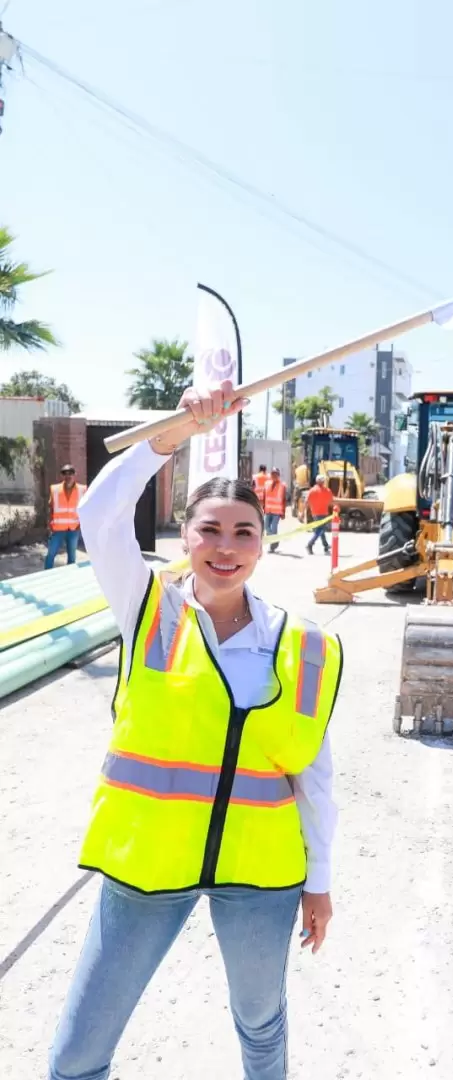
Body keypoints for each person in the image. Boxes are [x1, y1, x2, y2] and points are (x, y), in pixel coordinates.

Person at [47, 381, 342, 1080]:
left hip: (260, 875)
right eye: (210, 528)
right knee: (79, 1056)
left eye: (244, 531)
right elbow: (99, 511)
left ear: (263, 544)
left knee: (261, 1025)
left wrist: (320, 880)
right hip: (147, 866)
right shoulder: (147, 608)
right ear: (185, 536)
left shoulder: (302, 645)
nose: (226, 546)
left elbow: (316, 774)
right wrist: (173, 433)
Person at [45, 464, 87, 570]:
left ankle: (70, 576)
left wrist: (82, 524)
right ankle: (46, 575)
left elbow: (85, 509)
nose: (68, 476)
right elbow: (51, 508)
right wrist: (49, 524)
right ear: (62, 476)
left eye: (70, 473)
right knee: (50, 555)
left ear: (75, 475)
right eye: (65, 473)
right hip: (58, 529)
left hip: (74, 529)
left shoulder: (82, 489)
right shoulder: (54, 489)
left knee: (72, 557)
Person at [305, 473, 333, 555]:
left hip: (315, 513)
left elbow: (306, 501)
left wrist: (308, 510)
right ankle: (310, 544)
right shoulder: (327, 491)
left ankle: (326, 545)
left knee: (321, 530)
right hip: (323, 513)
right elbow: (331, 500)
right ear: (323, 482)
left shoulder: (312, 490)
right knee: (320, 530)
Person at [264, 466, 287, 554]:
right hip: (268, 510)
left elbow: (284, 499)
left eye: (276, 474)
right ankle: (275, 540)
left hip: (277, 511)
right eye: (273, 474)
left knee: (274, 528)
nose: (274, 476)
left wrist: (283, 512)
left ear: (279, 475)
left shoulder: (282, 485)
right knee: (266, 527)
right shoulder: (267, 484)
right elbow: (265, 496)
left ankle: (272, 546)